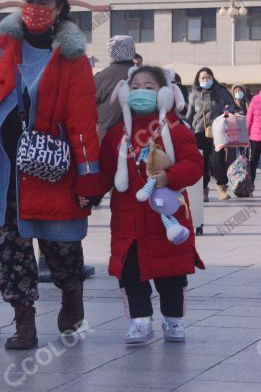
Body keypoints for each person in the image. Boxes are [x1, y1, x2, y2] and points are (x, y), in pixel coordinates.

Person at [0, 0, 101, 350]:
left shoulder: (72, 58)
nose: (34, 7)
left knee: (60, 242)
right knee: (11, 248)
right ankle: (23, 323)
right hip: (5, 166)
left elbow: (82, 118)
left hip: (51, 167)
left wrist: (88, 173)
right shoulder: (2, 43)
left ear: (60, 7)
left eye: (44, 0)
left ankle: (71, 294)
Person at [96, 66, 204, 344]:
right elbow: (104, 174)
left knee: (172, 273)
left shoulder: (176, 130)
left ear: (165, 94)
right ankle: (140, 322)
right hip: (128, 220)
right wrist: (84, 194)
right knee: (131, 273)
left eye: (149, 87)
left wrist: (170, 177)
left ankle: (173, 320)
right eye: (135, 87)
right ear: (124, 93)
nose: (141, 93)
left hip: (167, 218)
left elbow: (194, 164)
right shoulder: (115, 134)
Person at [186, 67, 234, 202]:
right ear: (198, 80)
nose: (206, 80)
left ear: (212, 78)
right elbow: (189, 114)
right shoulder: (194, 94)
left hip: (218, 129)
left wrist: (227, 112)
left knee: (218, 159)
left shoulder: (221, 91)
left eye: (208, 77)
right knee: (202, 161)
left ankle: (221, 188)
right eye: (203, 78)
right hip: (199, 131)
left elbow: (230, 105)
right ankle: (203, 190)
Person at [94, 35, 136, 141]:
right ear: (132, 49)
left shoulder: (99, 77)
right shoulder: (144, 76)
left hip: (105, 137)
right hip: (137, 135)